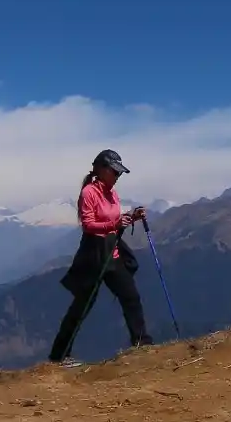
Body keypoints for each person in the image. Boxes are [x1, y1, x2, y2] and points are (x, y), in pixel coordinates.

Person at [48, 149, 153, 367]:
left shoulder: (112, 193)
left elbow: (114, 221)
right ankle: (59, 356)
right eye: (115, 172)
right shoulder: (89, 193)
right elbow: (88, 225)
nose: (117, 176)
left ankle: (142, 342)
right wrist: (114, 224)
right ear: (102, 170)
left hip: (112, 251)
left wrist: (132, 217)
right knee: (81, 307)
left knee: (131, 296)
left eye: (119, 173)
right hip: (94, 255)